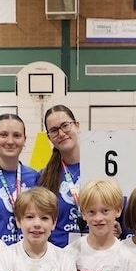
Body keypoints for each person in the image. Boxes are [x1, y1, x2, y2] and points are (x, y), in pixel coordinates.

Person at [0, 113, 39, 245]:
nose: (10, 141)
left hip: (28, 253)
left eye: (16, 135)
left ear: (24, 139)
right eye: (3, 135)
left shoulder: (35, 177)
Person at [37, 105, 84, 247]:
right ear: (49, 137)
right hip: (59, 254)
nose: (61, 133)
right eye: (54, 130)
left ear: (77, 125)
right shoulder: (44, 178)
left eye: (65, 125)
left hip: (94, 252)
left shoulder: (100, 168)